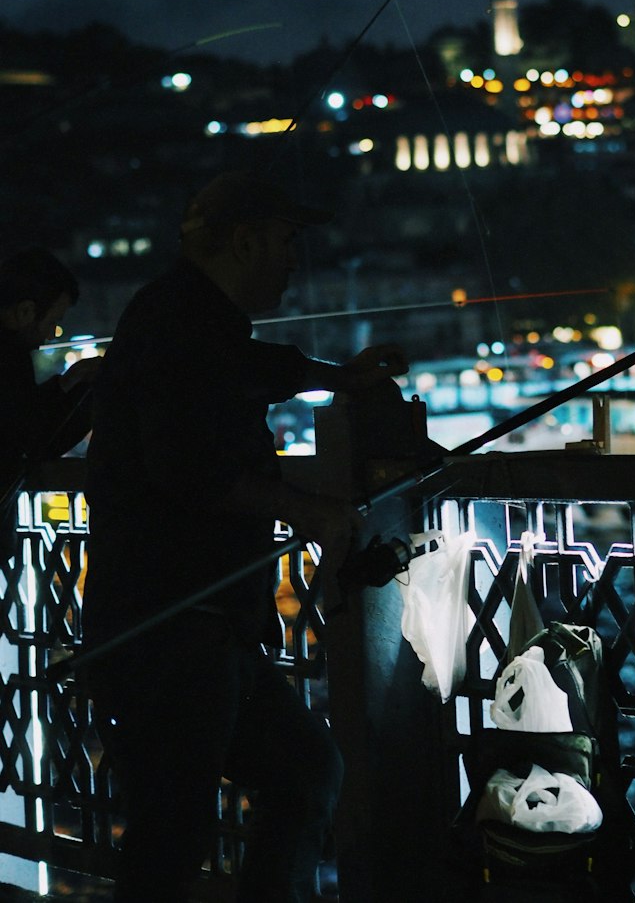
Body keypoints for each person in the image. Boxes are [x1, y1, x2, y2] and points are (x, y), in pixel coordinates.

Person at [83, 169, 408, 903]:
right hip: (169, 630)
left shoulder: (190, 320)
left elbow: (249, 370)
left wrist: (338, 379)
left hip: (202, 629)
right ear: (242, 241)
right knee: (174, 835)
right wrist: (310, 510)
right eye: (286, 241)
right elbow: (188, 470)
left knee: (303, 773)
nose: (295, 258)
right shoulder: (177, 322)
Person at [0, 247, 99, 560]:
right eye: (53, 324)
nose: (50, 336)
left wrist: (65, 384)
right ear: (25, 312)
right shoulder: (9, 356)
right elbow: (33, 438)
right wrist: (88, 395)